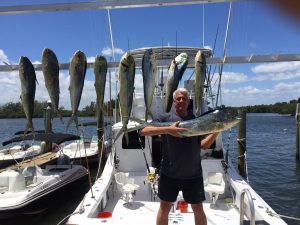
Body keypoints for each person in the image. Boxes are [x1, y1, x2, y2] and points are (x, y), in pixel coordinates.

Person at [139, 88, 218, 225]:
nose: (181, 101)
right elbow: (143, 131)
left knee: (198, 208)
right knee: (164, 207)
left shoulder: (196, 120)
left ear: (188, 102)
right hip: (169, 174)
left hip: (193, 175)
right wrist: (168, 129)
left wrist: (217, 131)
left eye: (184, 98)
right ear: (173, 101)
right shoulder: (165, 118)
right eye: (178, 98)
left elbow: (204, 145)